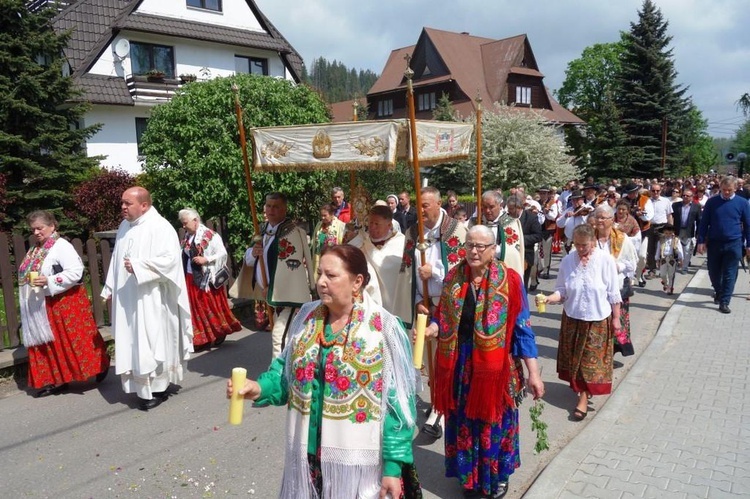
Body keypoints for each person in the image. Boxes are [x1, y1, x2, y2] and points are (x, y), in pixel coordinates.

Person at [227, 245, 419, 499]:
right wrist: (259, 388)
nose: (321, 282)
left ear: (357, 281)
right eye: (319, 274)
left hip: (360, 466)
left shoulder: (384, 330)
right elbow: (285, 374)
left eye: (331, 275)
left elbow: (399, 406)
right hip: (308, 458)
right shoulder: (305, 318)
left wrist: (393, 469)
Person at [421, 225, 544, 498]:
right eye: (469, 245)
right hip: (460, 367)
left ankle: (496, 477)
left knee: (493, 424)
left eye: (480, 246)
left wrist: (533, 373)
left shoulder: (510, 280)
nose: (474, 251)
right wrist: (431, 328)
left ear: (493, 250)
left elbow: (522, 328)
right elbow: (442, 317)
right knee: (464, 424)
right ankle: (469, 478)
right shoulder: (454, 277)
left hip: (496, 368)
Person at [102, 187, 193, 411]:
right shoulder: (125, 226)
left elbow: (170, 261)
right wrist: (109, 287)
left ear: (144, 205)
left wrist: (140, 266)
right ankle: (139, 385)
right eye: (122, 203)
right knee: (133, 339)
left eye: (127, 203)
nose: (122, 207)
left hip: (152, 297)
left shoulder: (160, 227)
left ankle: (158, 387)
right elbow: (116, 260)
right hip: (128, 298)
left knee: (152, 340)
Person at [18, 210, 110, 398]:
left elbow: (76, 272)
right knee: (51, 343)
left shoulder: (61, 246)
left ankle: (100, 364)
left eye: (39, 228)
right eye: (33, 229)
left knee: (75, 338)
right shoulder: (36, 249)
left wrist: (50, 280)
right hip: (43, 302)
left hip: (66, 300)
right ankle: (57, 378)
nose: (36, 232)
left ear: (52, 226)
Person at [538, 224, 622, 420]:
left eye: (584, 245)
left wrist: (617, 318)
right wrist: (551, 298)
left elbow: (613, 292)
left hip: (597, 318)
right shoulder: (568, 261)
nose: (580, 248)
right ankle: (583, 389)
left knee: (588, 361)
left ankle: (583, 399)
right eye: (576, 244)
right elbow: (563, 290)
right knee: (576, 360)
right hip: (573, 318)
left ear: (593, 241)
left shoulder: (605, 260)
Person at [404, 186, 467, 438]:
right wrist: (418, 299)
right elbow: (408, 272)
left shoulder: (457, 231)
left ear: (439, 203)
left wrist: (436, 274)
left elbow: (462, 271)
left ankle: (441, 410)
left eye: (425, 205)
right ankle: (436, 403)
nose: (420, 210)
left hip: (450, 305)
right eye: (417, 205)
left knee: (446, 359)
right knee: (428, 360)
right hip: (425, 305)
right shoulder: (413, 232)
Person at [230, 192, 315, 360]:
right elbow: (248, 261)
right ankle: (293, 368)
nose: (271, 210)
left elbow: (291, 269)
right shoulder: (261, 230)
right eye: (268, 206)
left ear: (284, 209)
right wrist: (253, 252)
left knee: (279, 336)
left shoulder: (292, 233)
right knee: (288, 336)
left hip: (288, 298)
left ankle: (277, 375)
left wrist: (272, 290)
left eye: (276, 206)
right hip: (269, 296)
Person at [178, 208, 241, 350]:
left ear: (195, 220)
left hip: (206, 279)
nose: (183, 226)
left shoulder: (210, 236)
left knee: (208, 307)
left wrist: (206, 259)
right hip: (190, 277)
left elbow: (222, 254)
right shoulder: (187, 237)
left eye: (185, 223)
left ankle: (218, 332)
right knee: (194, 309)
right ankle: (201, 339)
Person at [348, 205, 411, 323]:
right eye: (370, 223)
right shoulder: (363, 242)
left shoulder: (401, 243)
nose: (372, 227)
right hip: (369, 301)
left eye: (377, 224)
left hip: (394, 300)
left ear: (389, 225)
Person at [697, 176, 750, 314]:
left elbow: (748, 225)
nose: (726, 193)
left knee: (730, 273)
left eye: (729, 190)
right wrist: (701, 241)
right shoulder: (712, 202)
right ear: (720, 188)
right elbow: (704, 223)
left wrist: (749, 244)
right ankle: (719, 291)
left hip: (734, 243)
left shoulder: (742, 203)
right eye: (724, 190)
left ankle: (725, 301)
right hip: (715, 243)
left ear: (735, 189)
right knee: (713, 271)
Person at [592, 204, 638, 357]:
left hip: (617, 287)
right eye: (597, 217)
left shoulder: (621, 238)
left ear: (611, 220)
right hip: (595, 288)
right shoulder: (590, 237)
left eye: (603, 218)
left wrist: (617, 266)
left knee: (617, 321)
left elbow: (632, 263)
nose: (599, 221)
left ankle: (613, 352)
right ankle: (600, 353)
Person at [470, 190, 524, 277]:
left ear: (500, 205)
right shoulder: (474, 223)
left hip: (502, 273)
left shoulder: (511, 224)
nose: (487, 211)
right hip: (478, 273)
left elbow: (512, 253)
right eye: (484, 207)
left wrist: (491, 250)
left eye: (491, 207)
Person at [505, 194, 543, 290]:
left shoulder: (531, 217)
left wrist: (519, 239)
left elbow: (538, 236)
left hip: (525, 256)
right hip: (509, 257)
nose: (508, 211)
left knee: (521, 285)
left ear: (518, 208)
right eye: (508, 209)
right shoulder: (506, 218)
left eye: (511, 209)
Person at [623, 182, 654, 287]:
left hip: (642, 231)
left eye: (633, 192)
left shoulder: (645, 200)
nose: (631, 194)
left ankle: (640, 274)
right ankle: (630, 277)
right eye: (629, 193)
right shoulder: (624, 201)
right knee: (629, 256)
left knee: (641, 256)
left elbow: (649, 216)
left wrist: (641, 215)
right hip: (627, 233)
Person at [644, 183, 673, 279]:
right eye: (653, 190)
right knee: (650, 249)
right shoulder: (646, 201)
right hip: (650, 227)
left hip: (662, 227)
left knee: (663, 249)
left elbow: (669, 216)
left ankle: (663, 269)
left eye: (657, 190)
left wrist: (671, 229)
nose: (655, 192)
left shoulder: (666, 201)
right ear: (650, 191)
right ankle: (652, 270)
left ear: (661, 191)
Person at [311, 203, 347, 276]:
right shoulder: (319, 224)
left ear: (332, 214)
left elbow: (344, 244)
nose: (322, 218)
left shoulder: (341, 226)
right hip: (319, 258)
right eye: (321, 215)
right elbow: (313, 242)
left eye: (325, 215)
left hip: (333, 258)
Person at [672, 188, 701, 273]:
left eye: (687, 196)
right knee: (676, 248)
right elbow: (672, 217)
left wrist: (698, 233)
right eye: (684, 195)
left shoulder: (696, 207)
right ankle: (676, 264)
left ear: (692, 197)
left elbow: (699, 220)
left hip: (688, 231)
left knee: (687, 250)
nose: (685, 197)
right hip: (677, 230)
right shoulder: (675, 205)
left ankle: (684, 267)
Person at [556, 189, 591, 254]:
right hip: (569, 241)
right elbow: (559, 224)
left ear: (582, 199)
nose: (575, 202)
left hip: (583, 241)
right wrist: (565, 217)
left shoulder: (588, 209)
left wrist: (581, 215)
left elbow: (590, 223)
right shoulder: (569, 210)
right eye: (573, 200)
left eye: (577, 200)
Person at [538, 186, 560, 279]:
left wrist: (546, 212)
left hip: (548, 229)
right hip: (538, 229)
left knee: (547, 251)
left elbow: (553, 216)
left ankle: (546, 270)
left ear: (548, 194)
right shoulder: (537, 203)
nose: (543, 195)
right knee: (537, 250)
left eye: (545, 193)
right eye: (541, 193)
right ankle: (539, 267)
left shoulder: (553, 203)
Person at [655, 224, 683, 295]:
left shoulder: (676, 240)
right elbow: (658, 250)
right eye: (666, 233)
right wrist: (657, 259)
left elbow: (679, 249)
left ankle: (670, 288)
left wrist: (680, 259)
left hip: (672, 259)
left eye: (670, 233)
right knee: (662, 274)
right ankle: (665, 283)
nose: (668, 235)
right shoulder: (661, 240)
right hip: (663, 258)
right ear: (664, 232)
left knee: (671, 274)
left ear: (673, 232)